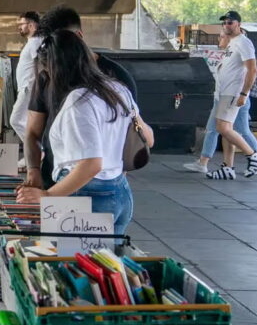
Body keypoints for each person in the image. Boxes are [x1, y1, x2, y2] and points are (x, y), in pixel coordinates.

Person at [16, 30, 154, 236]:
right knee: (106, 264)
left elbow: (91, 164)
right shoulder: (116, 88)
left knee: (69, 261)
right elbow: (148, 138)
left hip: (85, 197)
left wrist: (46, 195)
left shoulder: (79, 102)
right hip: (120, 191)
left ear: (56, 68)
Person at [24, 5, 139, 190]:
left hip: (102, 184)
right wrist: (33, 171)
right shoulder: (47, 74)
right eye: (49, 44)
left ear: (78, 36)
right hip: (54, 177)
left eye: (62, 44)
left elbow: (132, 134)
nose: (54, 55)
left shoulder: (117, 77)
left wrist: (115, 183)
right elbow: (32, 131)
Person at [183, 11, 257, 179]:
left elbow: (252, 69)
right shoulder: (232, 43)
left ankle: (254, 156)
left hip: (232, 93)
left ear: (238, 24)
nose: (226, 25)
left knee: (225, 128)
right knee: (225, 130)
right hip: (223, 93)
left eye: (230, 22)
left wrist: (243, 93)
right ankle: (228, 166)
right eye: (225, 23)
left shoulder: (244, 42)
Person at [10, 10, 42, 145]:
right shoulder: (32, 42)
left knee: (15, 120)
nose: (19, 27)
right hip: (27, 88)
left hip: (29, 88)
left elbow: (39, 63)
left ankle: (37, 151)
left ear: (31, 25)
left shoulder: (35, 41)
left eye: (21, 24)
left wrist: (37, 86)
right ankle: (33, 154)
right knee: (27, 123)